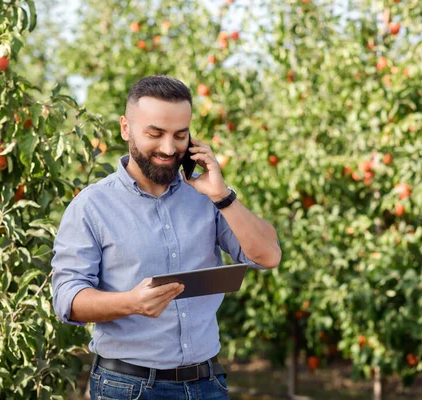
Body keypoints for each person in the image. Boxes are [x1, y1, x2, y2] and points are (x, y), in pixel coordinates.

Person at [51, 75, 281, 400]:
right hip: (127, 387)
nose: (169, 148)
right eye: (155, 133)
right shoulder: (92, 206)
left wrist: (222, 195)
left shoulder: (208, 196)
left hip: (207, 383)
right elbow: (66, 299)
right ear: (126, 128)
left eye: (180, 135)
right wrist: (131, 303)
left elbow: (267, 256)